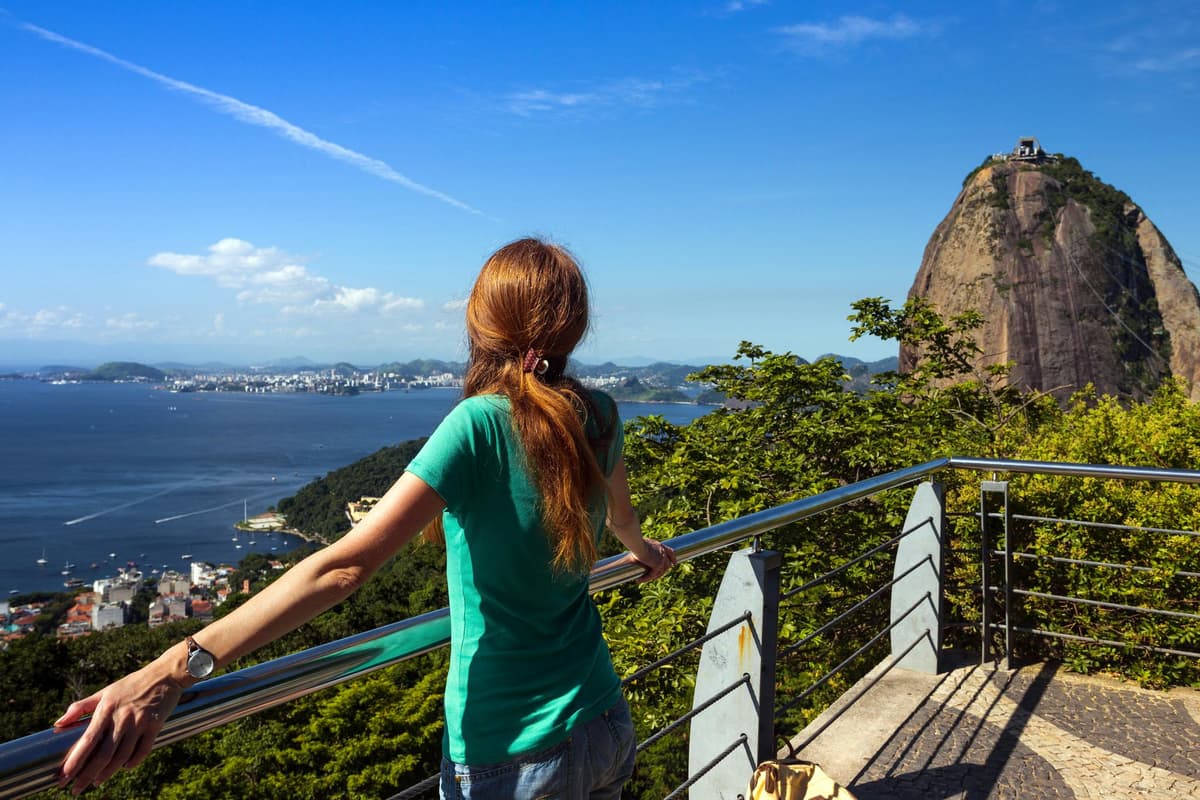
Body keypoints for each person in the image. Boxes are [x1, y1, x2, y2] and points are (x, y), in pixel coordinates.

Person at [55, 237, 677, 799]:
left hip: (512, 750)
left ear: (483, 326)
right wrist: (647, 554)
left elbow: (345, 567)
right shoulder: (599, 413)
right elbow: (621, 523)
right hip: (602, 718)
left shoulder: (481, 422)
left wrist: (173, 668)